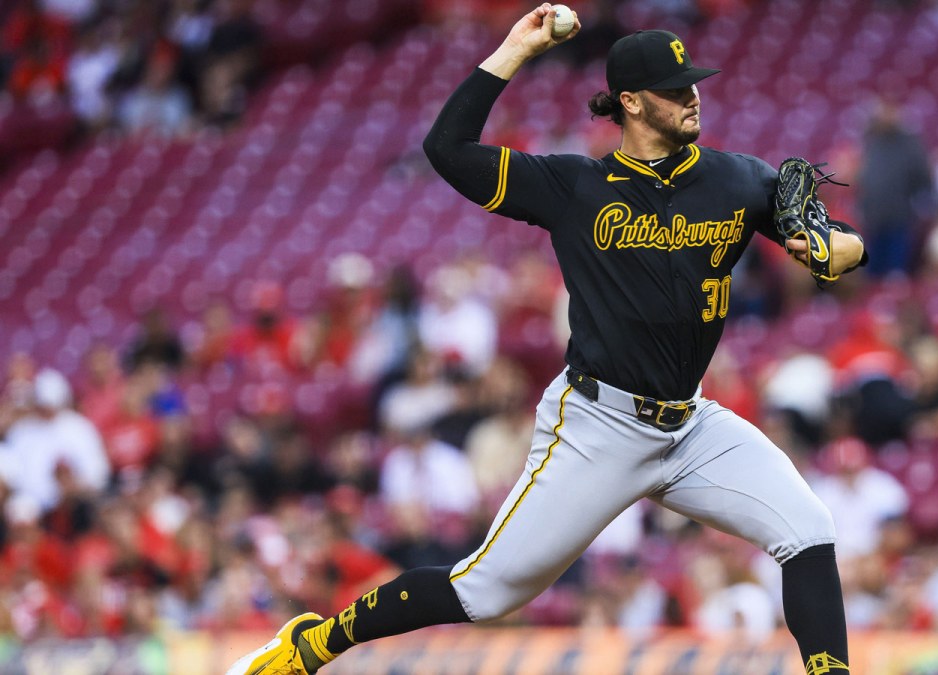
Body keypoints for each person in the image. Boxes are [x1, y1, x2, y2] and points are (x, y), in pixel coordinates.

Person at [226, 5, 865, 673]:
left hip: (692, 424)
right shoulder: (574, 187)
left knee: (808, 529)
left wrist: (840, 249)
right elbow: (447, 151)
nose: (692, 96)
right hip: (599, 423)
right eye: (674, 90)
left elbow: (837, 239)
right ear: (630, 102)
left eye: (693, 83)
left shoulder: (737, 179)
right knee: (485, 588)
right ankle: (314, 643)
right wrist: (513, 49)